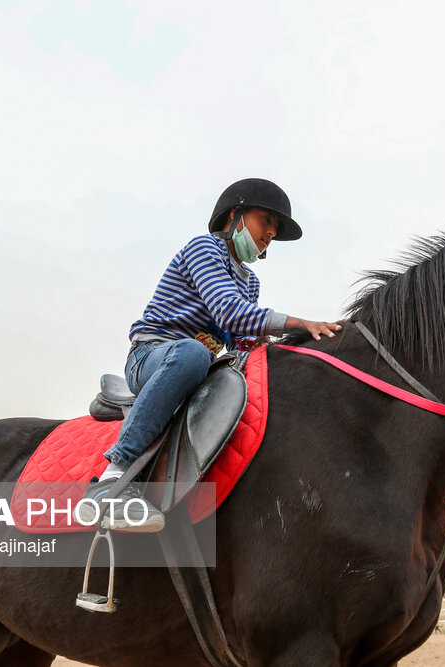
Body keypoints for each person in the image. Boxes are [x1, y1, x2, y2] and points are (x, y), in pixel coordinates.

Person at [77, 178, 342, 532]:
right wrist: (298, 323)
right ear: (234, 215)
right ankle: (111, 482)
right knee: (192, 353)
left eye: (275, 228)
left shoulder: (250, 282)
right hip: (153, 354)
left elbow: (244, 342)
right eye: (266, 220)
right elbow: (231, 313)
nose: (271, 234)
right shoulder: (205, 248)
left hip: (196, 364)